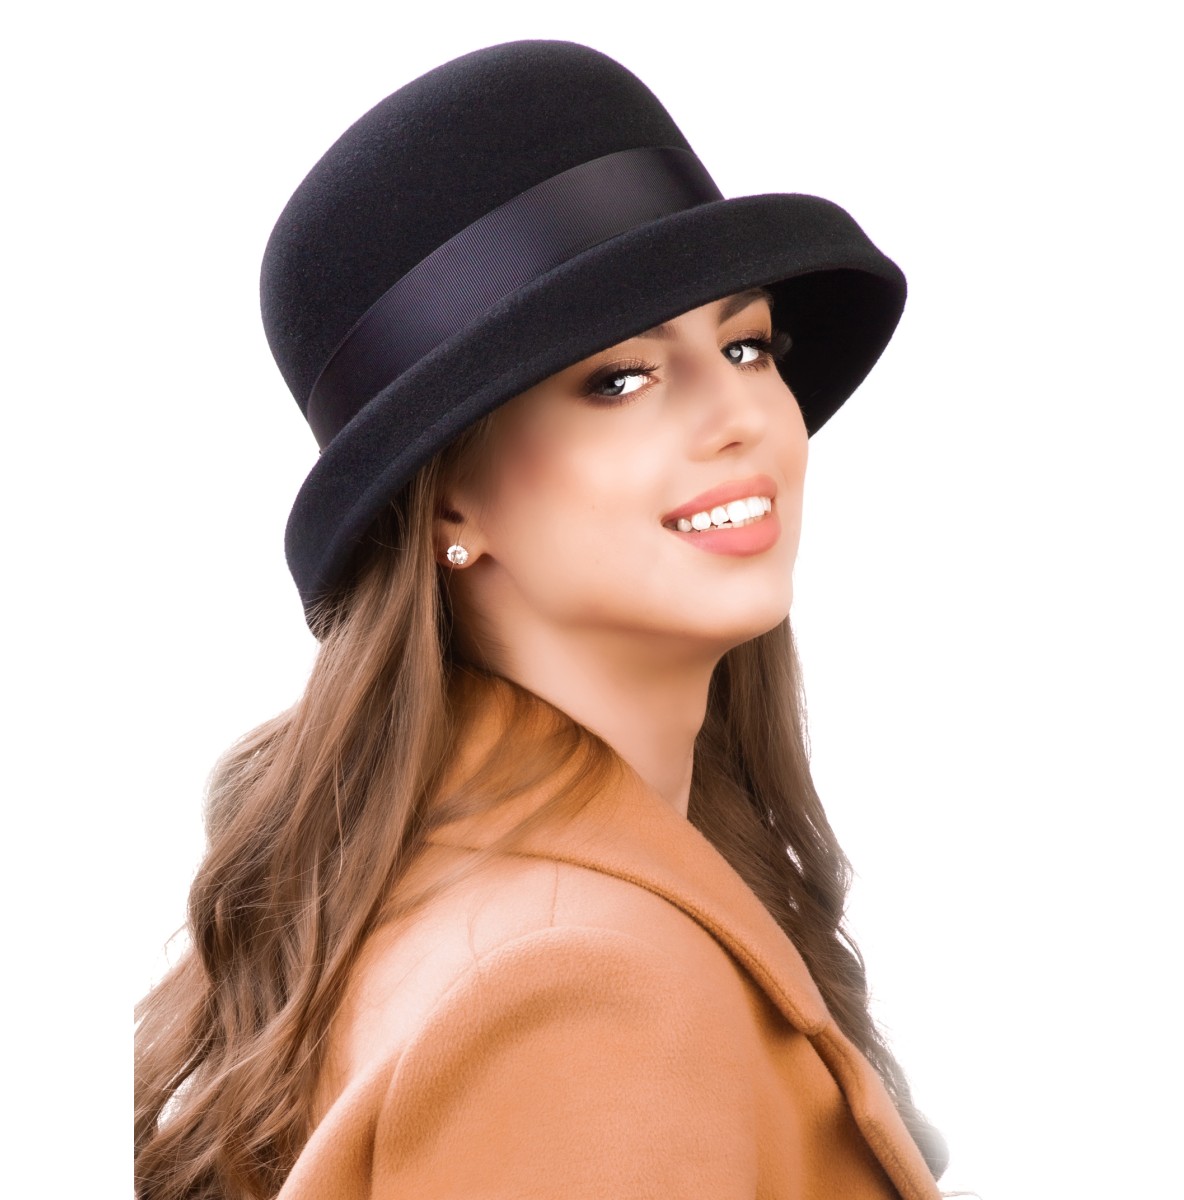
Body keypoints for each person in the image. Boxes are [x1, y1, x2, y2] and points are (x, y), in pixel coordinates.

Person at [135, 39, 949, 1199]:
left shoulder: (491, 895)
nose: (740, 415)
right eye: (619, 378)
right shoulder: (575, 987)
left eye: (746, 344)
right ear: (449, 503)